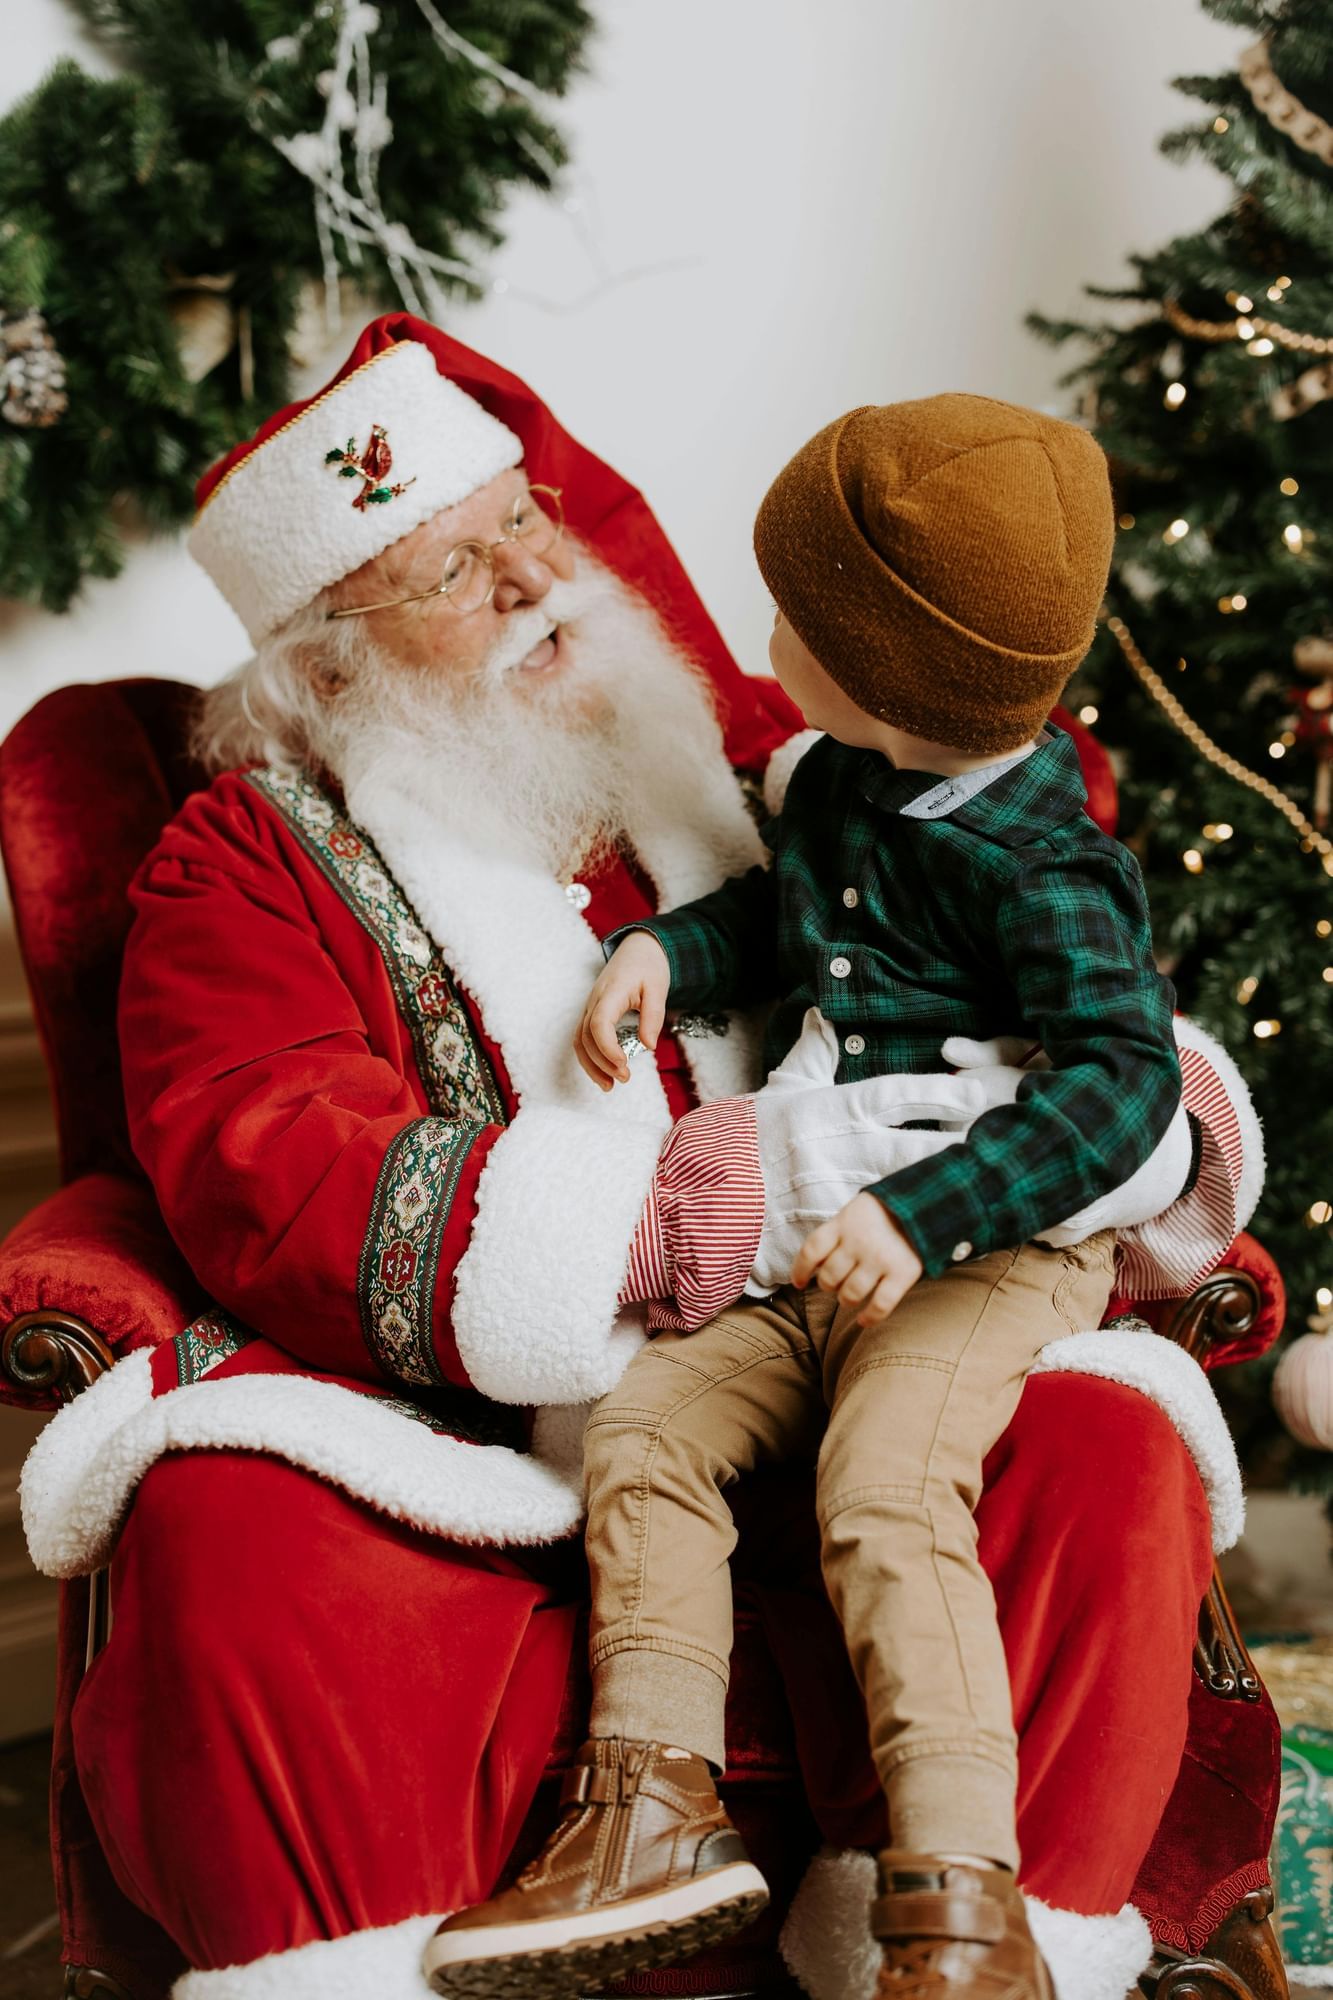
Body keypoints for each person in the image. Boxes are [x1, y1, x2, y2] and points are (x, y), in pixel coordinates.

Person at [18, 324, 1256, 2000]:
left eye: (526, 513)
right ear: (324, 666)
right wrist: (679, 1213)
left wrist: (1013, 1143)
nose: (539, 573)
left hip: (895, 1285)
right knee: (231, 1526)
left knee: (1098, 1445)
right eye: (455, 566)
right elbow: (269, 1162)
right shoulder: (242, 866)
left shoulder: (725, 752)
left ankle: (972, 1937)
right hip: (521, 1392)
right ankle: (591, 1847)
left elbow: (1035, 995)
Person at [423, 397, 1191, 2000]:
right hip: (824, 1240)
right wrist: (666, 951)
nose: (763, 633)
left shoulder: (1044, 863)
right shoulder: (843, 777)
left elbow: (1125, 1088)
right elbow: (788, 922)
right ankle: (653, 1804)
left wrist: (928, 1213)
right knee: (644, 1430)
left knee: (883, 1489)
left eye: (797, 614)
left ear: (895, 664)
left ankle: (962, 1909)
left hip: (985, 1247)